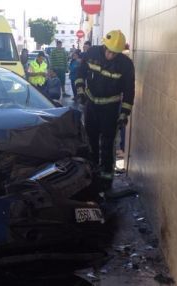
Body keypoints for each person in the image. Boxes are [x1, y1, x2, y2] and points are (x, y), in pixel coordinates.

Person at [75, 30, 135, 189]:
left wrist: (124, 114)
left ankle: (107, 181)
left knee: (108, 145)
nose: (110, 55)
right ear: (104, 46)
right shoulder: (92, 52)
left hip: (110, 108)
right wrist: (80, 92)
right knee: (90, 142)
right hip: (91, 106)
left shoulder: (126, 64)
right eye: (108, 51)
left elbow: (129, 92)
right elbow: (80, 73)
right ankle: (92, 176)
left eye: (115, 53)